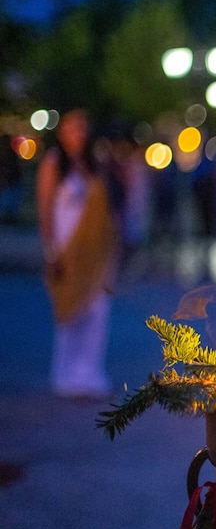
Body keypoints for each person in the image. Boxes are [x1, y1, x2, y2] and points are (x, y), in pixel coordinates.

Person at [36, 109, 118, 399]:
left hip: (94, 253)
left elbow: (107, 211)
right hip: (66, 250)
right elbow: (45, 209)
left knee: (97, 310)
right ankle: (66, 375)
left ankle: (89, 374)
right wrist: (51, 250)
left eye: (83, 127)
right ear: (61, 132)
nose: (79, 133)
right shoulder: (53, 164)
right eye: (73, 127)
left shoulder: (94, 166)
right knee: (69, 312)